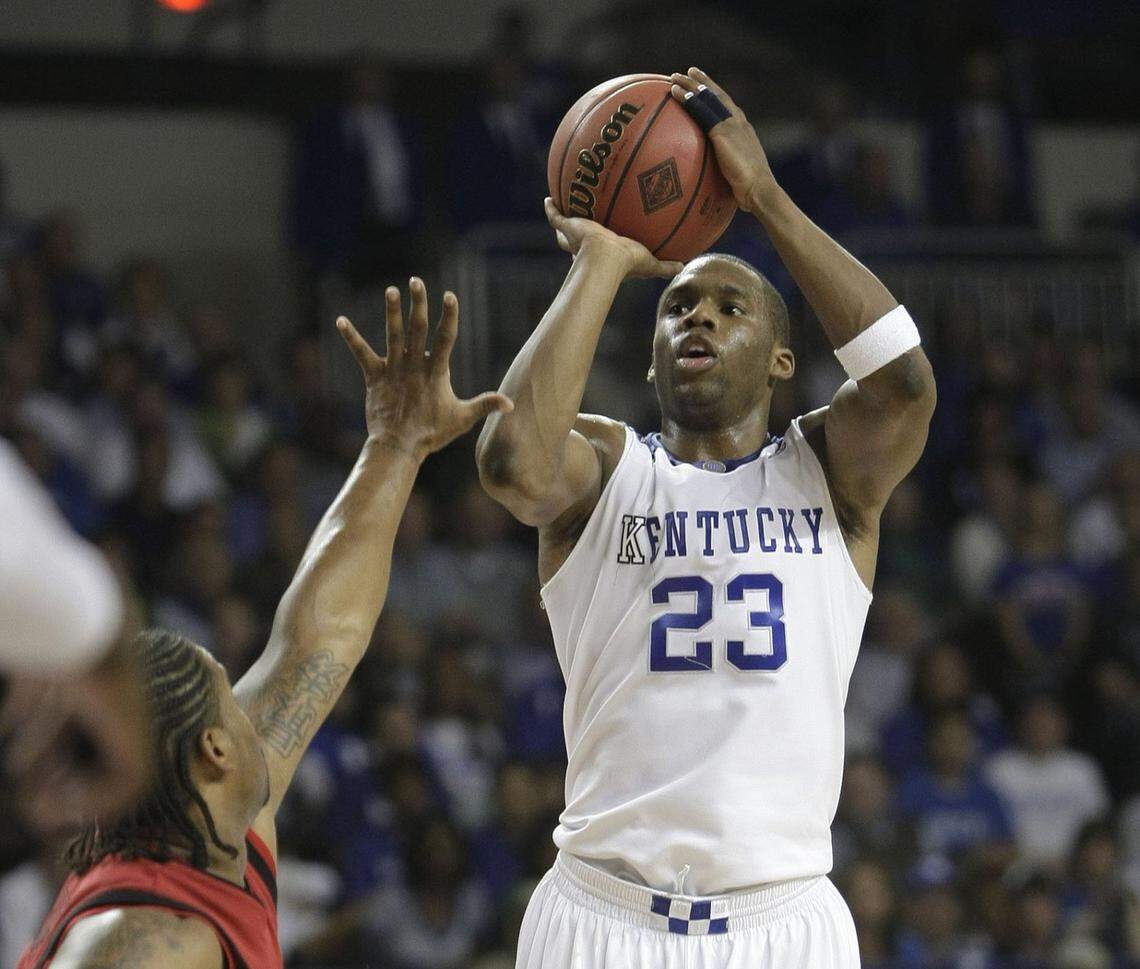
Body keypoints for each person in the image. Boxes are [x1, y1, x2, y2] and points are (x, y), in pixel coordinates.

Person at [477, 67, 936, 968]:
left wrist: (764, 199)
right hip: (601, 912)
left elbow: (904, 383)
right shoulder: (609, 469)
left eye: (732, 308)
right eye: (679, 305)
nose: (699, 318)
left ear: (778, 360)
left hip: (784, 919)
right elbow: (513, 465)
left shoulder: (830, 474)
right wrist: (602, 261)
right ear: (649, 364)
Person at [17, 279, 511, 969]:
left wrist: (396, 448)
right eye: (233, 692)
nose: (260, 704)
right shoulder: (141, 939)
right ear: (216, 750)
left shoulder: (222, 832)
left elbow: (321, 637)